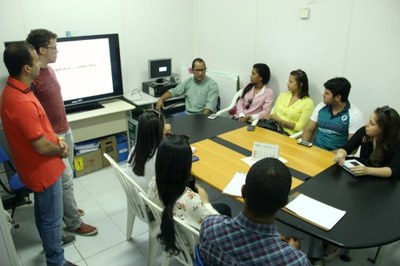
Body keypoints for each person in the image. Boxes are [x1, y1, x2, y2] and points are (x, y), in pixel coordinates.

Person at [1, 43, 75, 265]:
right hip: (44, 170)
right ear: (26, 68)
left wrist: (57, 139)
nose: (39, 62)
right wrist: (61, 148)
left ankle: (50, 248)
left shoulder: (15, 90)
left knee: (44, 213)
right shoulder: (20, 101)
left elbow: (40, 129)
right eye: (35, 60)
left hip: (37, 168)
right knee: (51, 218)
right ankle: (56, 260)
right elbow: (41, 147)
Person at [26, 29, 98, 236]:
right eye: (54, 47)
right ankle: (74, 222)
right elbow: (34, 114)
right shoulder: (33, 76)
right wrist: (54, 137)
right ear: (42, 50)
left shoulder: (49, 69)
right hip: (54, 136)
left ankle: (69, 210)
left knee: (69, 178)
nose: (57, 51)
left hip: (65, 129)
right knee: (65, 179)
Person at [198, 158, 310, 265]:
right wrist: (290, 251)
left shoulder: (209, 226)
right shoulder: (297, 261)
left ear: (242, 191)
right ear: (284, 203)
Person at [148, 134, 231, 255]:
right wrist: (206, 202)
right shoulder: (191, 200)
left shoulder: (154, 182)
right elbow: (218, 228)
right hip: (192, 246)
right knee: (225, 209)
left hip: (172, 229)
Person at [334, 106, 400, 178]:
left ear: (384, 130)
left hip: (385, 182)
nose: (367, 124)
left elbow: (394, 171)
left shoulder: (396, 142)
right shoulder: (365, 131)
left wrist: (368, 171)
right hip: (364, 177)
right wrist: (341, 153)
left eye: (372, 124)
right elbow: (346, 147)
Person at [302, 77, 364, 151]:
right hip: (315, 152)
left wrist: (331, 155)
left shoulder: (355, 115)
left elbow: (353, 147)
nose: (323, 95)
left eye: (327, 93)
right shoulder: (321, 106)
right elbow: (308, 130)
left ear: (338, 97)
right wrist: (304, 147)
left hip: (336, 157)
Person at [125, 109, 171, 191]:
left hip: (137, 199)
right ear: (159, 132)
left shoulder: (135, 149)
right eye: (164, 126)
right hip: (151, 199)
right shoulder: (161, 156)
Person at [265, 69, 314, 135]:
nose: (287, 83)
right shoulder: (283, 95)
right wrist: (269, 117)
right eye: (288, 81)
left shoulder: (308, 103)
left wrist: (281, 121)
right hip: (272, 128)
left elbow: (300, 127)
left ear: (300, 84)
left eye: (291, 82)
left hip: (288, 134)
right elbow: (273, 113)